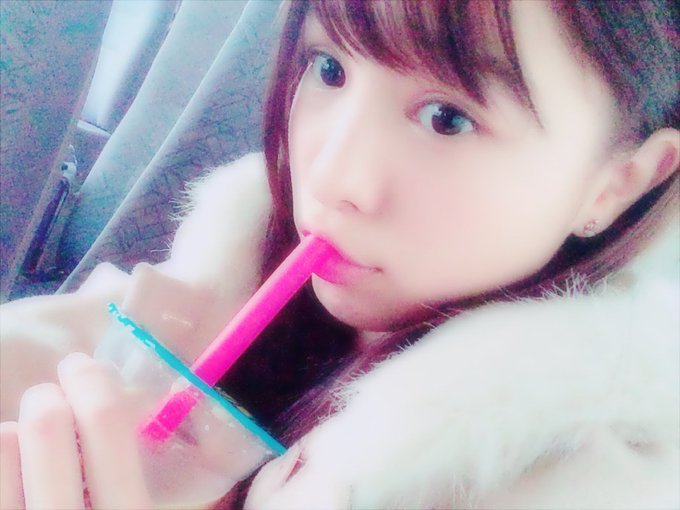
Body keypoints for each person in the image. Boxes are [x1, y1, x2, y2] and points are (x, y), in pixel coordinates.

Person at [1, 0, 678, 508]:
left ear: (617, 184)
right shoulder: (203, 290)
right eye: (328, 68)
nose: (331, 178)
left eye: (447, 119)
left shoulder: (599, 483)